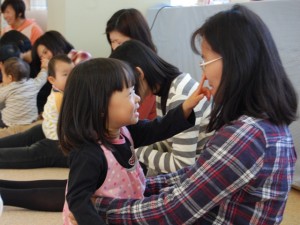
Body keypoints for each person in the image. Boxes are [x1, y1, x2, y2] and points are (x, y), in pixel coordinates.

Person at [69, 4, 298, 225]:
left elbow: (171, 210)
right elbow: (194, 174)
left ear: (236, 62)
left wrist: (100, 206)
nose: (204, 72)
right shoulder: (257, 125)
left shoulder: (248, 134)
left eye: (206, 60)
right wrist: (140, 185)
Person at [58, 57, 204, 225]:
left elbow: (158, 128)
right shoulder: (89, 154)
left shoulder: (125, 131)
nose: (137, 99)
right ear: (100, 107)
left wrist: (186, 107)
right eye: (129, 94)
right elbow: (77, 200)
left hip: (126, 214)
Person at [110, 39, 212, 176]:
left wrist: (135, 152)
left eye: (129, 88)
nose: (133, 96)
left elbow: (182, 164)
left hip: (200, 175)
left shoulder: (180, 94)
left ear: (139, 74)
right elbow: (167, 141)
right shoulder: (164, 90)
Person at [0, 54, 74, 168]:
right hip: (49, 128)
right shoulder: (58, 91)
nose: (71, 77)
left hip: (57, 139)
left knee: (30, 152)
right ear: (52, 80)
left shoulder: (63, 92)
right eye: (65, 74)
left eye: (73, 73)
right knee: (25, 137)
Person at [106, 8, 157, 120]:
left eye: (120, 43)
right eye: (112, 42)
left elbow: (133, 119)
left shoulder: (145, 73)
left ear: (138, 41)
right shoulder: (116, 68)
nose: (114, 48)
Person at [31, 30, 92, 113]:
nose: (45, 58)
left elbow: (78, 87)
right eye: (41, 57)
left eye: (45, 52)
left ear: (56, 44)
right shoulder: (51, 71)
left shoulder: (80, 56)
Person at [0, 57, 47, 131]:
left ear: (10, 78)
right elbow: (42, 78)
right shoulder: (33, 84)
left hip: (11, 124)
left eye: (3, 75)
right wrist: (44, 68)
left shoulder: (6, 90)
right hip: (31, 121)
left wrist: (2, 85)